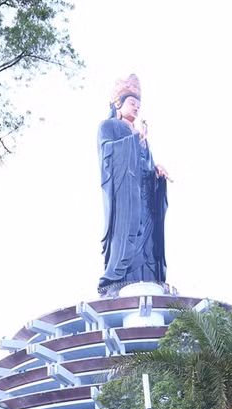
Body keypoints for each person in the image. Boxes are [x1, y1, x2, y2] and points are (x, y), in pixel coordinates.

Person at [98, 74, 170, 296]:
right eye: (132, 103)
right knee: (126, 234)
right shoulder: (108, 126)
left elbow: (145, 164)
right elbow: (107, 155)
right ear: (118, 104)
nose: (137, 108)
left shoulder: (141, 136)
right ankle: (115, 281)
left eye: (139, 105)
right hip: (125, 197)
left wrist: (157, 173)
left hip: (145, 197)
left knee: (148, 241)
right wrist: (132, 141)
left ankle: (149, 279)